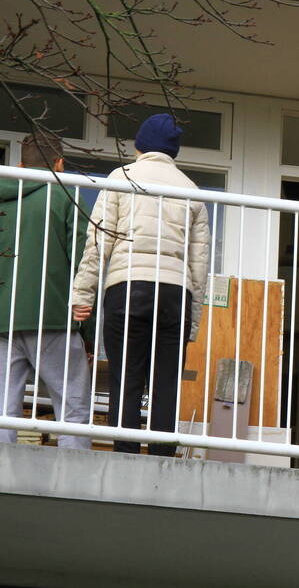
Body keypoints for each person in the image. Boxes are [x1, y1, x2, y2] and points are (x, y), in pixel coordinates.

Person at [71, 113, 210, 456]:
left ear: (140, 145)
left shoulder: (122, 177)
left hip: (127, 286)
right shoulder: (191, 190)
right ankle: (161, 458)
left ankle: (126, 457)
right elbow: (199, 264)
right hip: (175, 294)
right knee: (166, 384)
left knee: (126, 378)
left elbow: (98, 242)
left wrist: (82, 292)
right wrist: (192, 322)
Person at [0, 133, 93, 448]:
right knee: (72, 410)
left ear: (20, 165)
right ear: (60, 164)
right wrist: (83, 322)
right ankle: (75, 488)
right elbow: (84, 261)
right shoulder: (64, 197)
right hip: (51, 318)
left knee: (0, 414)